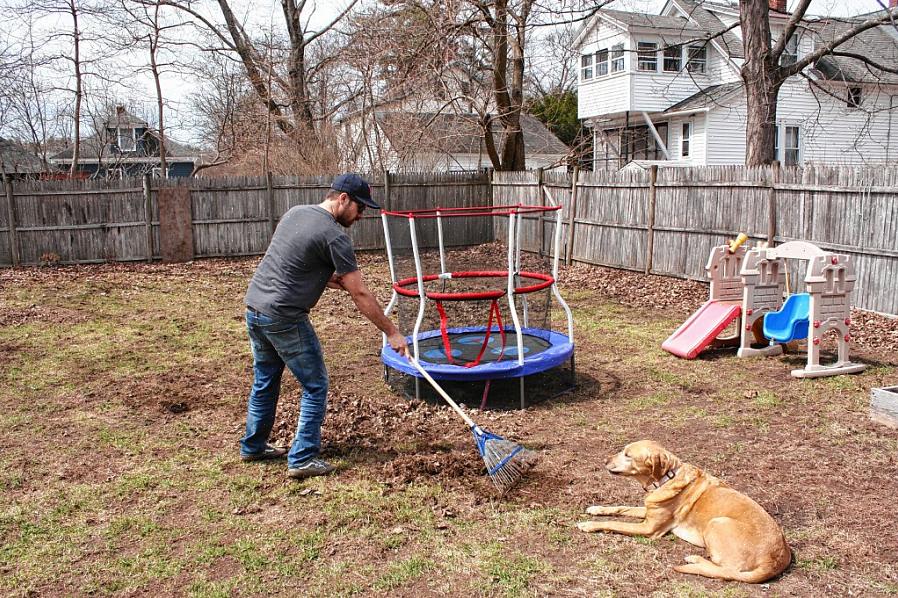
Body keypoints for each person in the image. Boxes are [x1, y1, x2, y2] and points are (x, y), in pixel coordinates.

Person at [240, 173, 409, 479]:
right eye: (360, 208)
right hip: (284, 316)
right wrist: (392, 331)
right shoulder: (335, 236)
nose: (361, 216)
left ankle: (253, 446)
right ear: (343, 199)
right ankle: (303, 457)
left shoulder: (295, 213)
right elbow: (360, 292)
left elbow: (294, 264)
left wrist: (335, 281)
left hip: (255, 308)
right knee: (315, 385)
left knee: (265, 380)